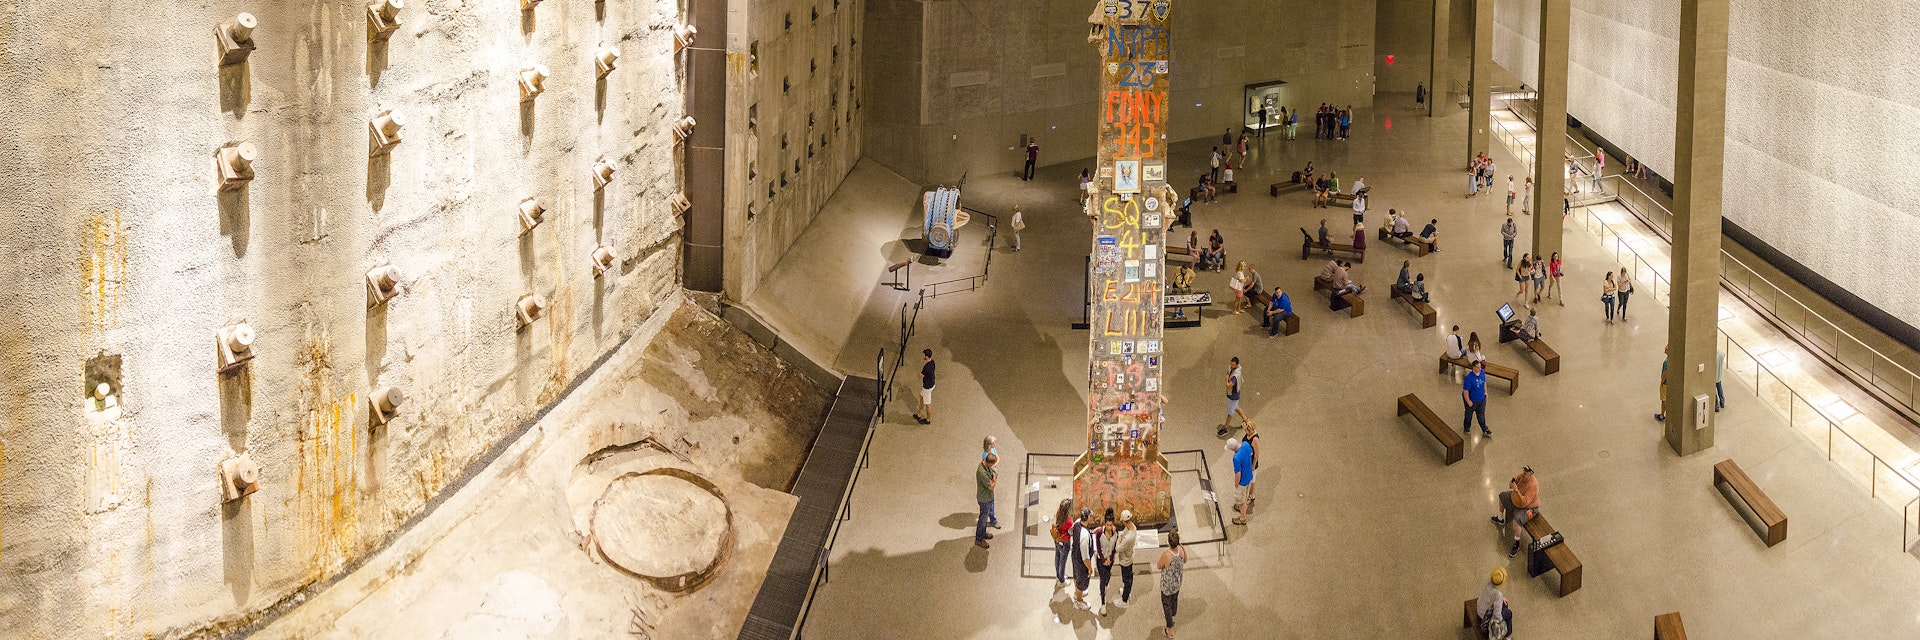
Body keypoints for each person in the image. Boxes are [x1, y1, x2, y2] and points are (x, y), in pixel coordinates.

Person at [1490, 466, 1539, 556]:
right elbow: (1511, 485)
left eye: (1525, 474)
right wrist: (1511, 484)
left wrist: (1516, 491)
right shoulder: (1521, 476)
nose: (1523, 475)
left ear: (1530, 475)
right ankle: (1501, 518)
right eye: (1523, 472)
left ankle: (1517, 543)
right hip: (1516, 500)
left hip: (1528, 508)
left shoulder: (1533, 486)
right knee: (1502, 496)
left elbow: (1524, 503)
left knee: (1517, 520)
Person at [1157, 531, 1187, 638]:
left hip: (1167, 585)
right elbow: (1185, 560)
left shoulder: (1167, 554)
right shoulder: (1182, 550)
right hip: (1177, 582)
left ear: (1169, 542)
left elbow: (1159, 566)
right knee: (1174, 599)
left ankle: (1169, 629)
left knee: (1166, 605)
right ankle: (1172, 614)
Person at [1479, 567, 1515, 639]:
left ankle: (1506, 632)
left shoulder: (1489, 581)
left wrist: (1501, 599)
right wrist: (1501, 622)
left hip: (1480, 607)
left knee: (1505, 605)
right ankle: (1506, 634)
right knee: (1509, 613)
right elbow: (1497, 616)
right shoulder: (1498, 594)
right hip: (1485, 618)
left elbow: (1490, 595)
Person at [1071, 506, 1095, 610]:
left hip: (1075, 556)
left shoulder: (1077, 522)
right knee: (1081, 582)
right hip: (1081, 563)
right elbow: (1085, 558)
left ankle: (1077, 593)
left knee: (1076, 576)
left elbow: (1071, 531)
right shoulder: (1085, 536)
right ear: (1088, 518)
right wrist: (1090, 568)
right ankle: (1079, 602)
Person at [1094, 509, 1116, 615]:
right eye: (1107, 525)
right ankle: (1103, 603)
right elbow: (1098, 547)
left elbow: (1115, 546)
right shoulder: (1099, 533)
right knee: (1103, 579)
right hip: (1101, 560)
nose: (1109, 527)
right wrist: (1103, 560)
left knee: (1108, 576)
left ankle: (1105, 587)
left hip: (1110, 560)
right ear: (1105, 524)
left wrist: (1110, 558)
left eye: (1111, 525)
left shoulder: (1116, 532)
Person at [1115, 510, 1139, 606]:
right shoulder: (1132, 526)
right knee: (1128, 578)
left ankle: (1124, 600)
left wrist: (1118, 539)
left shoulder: (1128, 538)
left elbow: (1118, 548)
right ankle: (1126, 591)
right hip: (1129, 556)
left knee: (1127, 580)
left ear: (1124, 522)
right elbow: (1123, 534)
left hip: (1126, 560)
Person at [974, 453, 998, 548]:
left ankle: (983, 533)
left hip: (988, 497)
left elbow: (993, 472)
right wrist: (994, 479)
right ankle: (979, 539)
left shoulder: (986, 466)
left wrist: (993, 478)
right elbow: (991, 487)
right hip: (984, 499)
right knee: (983, 520)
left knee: (984, 518)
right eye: (991, 465)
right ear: (987, 463)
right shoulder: (982, 472)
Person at [1229, 436, 1254, 525]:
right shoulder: (1246, 444)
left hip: (1242, 482)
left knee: (1241, 501)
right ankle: (1241, 507)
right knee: (1245, 495)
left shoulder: (1236, 458)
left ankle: (1242, 518)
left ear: (1233, 449)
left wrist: (1236, 484)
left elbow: (1238, 473)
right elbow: (1251, 454)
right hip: (1249, 476)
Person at [1220, 357, 1248, 437]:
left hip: (1233, 396)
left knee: (1230, 412)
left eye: (1233, 365)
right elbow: (1228, 372)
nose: (1231, 366)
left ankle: (1225, 428)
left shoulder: (1235, 376)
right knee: (1236, 407)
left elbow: (1228, 385)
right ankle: (1246, 420)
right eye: (1230, 364)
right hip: (1232, 395)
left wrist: (1226, 379)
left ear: (1236, 365)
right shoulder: (1231, 368)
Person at [1463, 360, 1491, 437]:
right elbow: (1465, 391)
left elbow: (1484, 382)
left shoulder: (1482, 372)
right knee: (1469, 416)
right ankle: (1467, 428)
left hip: (1481, 399)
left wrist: (1486, 392)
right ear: (1473, 368)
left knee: (1481, 416)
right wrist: (1468, 401)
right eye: (1478, 367)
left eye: (1480, 367)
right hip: (1472, 401)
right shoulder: (1469, 378)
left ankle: (1485, 429)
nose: (1479, 368)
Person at [1052, 499, 1074, 587]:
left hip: (1057, 539)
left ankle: (1058, 575)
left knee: (1057, 557)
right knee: (1063, 561)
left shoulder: (1058, 513)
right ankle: (1061, 580)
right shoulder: (1069, 522)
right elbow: (1070, 533)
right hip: (1065, 542)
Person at [914, 349, 936, 424]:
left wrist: (919, 374)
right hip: (931, 384)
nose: (923, 356)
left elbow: (920, 376)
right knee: (921, 396)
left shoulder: (926, 367)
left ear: (926, 356)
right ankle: (919, 414)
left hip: (927, 387)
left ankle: (928, 420)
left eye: (924, 355)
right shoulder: (932, 362)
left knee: (928, 404)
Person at [1656, 344, 1670, 422]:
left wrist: (1662, 382)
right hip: (1668, 383)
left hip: (1665, 383)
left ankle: (1662, 415)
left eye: (1667, 349)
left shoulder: (1666, 362)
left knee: (1663, 400)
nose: (1665, 348)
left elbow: (1665, 373)